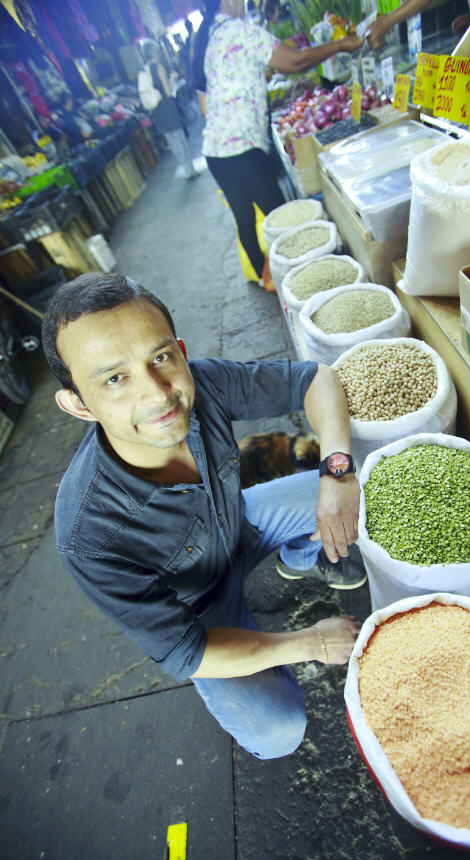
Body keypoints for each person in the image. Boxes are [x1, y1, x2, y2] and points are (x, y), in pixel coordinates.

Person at [41, 273, 366, 760]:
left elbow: (316, 378)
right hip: (202, 612)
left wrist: (337, 472)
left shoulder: (204, 382)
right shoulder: (89, 535)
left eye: (161, 357)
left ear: (181, 349)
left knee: (366, 494)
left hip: (242, 524)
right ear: (77, 405)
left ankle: (300, 558)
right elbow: (188, 651)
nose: (157, 394)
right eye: (114, 378)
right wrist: (312, 643)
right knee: (277, 733)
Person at [193, 0, 363, 292]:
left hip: (215, 150)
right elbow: (294, 61)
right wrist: (339, 46)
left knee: (244, 218)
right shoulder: (237, 29)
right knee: (287, 223)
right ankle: (307, 287)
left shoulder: (211, 34)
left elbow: (208, 102)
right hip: (241, 150)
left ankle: (267, 279)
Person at [141, 42, 197, 180]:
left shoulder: (145, 70)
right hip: (168, 108)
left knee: (172, 141)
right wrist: (172, 78)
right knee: (180, 139)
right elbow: (168, 91)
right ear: (155, 52)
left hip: (158, 111)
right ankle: (190, 169)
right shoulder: (159, 68)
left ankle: (186, 169)